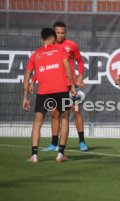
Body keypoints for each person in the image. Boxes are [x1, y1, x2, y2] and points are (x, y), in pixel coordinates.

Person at [29, 21, 88, 151]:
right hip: (57, 87)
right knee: (55, 114)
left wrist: (80, 76)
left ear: (65, 32)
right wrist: (33, 80)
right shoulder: (49, 46)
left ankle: (82, 141)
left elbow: (80, 61)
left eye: (63, 33)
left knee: (76, 111)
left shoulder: (72, 45)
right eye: (58, 33)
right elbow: (42, 67)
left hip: (71, 86)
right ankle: (54, 144)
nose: (60, 35)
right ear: (53, 33)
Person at [23, 28, 76, 163]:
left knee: (37, 122)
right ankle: (60, 154)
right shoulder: (60, 50)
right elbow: (67, 67)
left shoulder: (35, 54)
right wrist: (73, 85)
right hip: (61, 90)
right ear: (53, 38)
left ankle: (34, 155)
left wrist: (25, 97)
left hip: (43, 92)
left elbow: (27, 75)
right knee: (64, 119)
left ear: (42, 40)